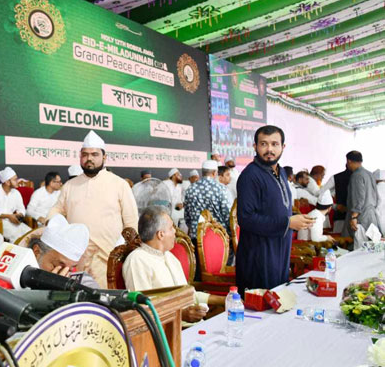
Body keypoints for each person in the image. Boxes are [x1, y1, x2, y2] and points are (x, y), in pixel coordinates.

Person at [47, 130, 138, 287]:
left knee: (105, 303)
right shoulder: (69, 186)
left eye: (94, 154)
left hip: (108, 258)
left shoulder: (119, 184)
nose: (89, 158)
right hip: (75, 259)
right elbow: (56, 210)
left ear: (104, 157)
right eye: (85, 154)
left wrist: (122, 247)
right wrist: (53, 223)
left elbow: (131, 221)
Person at [236, 125, 314, 291]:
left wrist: (297, 219)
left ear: (283, 147)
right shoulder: (250, 176)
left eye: (274, 144)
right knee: (261, 309)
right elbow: (246, 218)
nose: (269, 149)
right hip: (259, 254)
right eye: (263, 144)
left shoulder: (282, 173)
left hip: (280, 250)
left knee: (279, 298)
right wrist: (288, 222)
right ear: (255, 146)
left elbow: (276, 207)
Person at [123, 206, 224, 323]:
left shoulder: (169, 257)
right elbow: (142, 310)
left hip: (194, 326)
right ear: (160, 234)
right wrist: (181, 315)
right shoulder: (137, 261)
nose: (175, 231)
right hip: (169, 331)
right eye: (171, 228)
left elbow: (189, 295)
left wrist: (225, 299)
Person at [28, 214, 98, 288]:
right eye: (57, 267)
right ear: (37, 252)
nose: (63, 275)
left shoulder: (81, 280)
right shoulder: (16, 275)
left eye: (70, 269)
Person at [185, 160, 231, 241]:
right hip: (218, 238)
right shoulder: (221, 189)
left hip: (196, 237)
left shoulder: (190, 188)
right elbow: (227, 215)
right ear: (214, 173)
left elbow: (187, 216)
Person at [345, 150, 382, 237]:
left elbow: (359, 197)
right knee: (372, 245)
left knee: (361, 246)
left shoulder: (356, 175)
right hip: (371, 214)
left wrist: (354, 217)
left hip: (361, 217)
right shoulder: (369, 174)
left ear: (349, 161)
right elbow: (375, 195)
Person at [0, 167, 29, 243]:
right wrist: (8, 216)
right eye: (15, 179)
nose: (17, 181)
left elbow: (21, 208)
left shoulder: (16, 193)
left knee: (30, 233)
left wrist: (19, 215)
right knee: (17, 236)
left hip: (13, 221)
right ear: (7, 182)